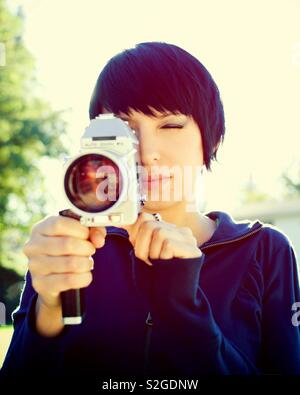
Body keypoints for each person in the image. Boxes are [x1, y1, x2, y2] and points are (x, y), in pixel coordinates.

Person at [1, 42, 300, 384]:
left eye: (171, 126)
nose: (147, 153)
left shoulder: (264, 249)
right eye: (122, 129)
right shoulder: (71, 244)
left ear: (212, 140)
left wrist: (183, 305)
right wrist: (49, 309)